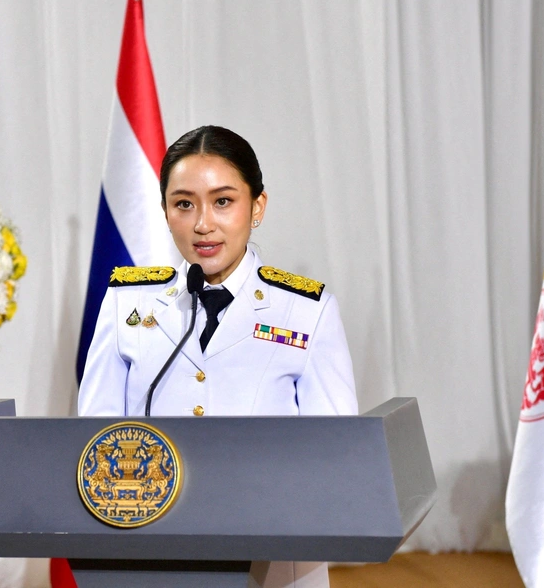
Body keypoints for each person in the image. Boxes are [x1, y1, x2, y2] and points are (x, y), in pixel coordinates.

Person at [78, 125, 358, 588]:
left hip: (273, 555)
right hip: (153, 551)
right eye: (184, 204)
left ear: (257, 206)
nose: (202, 224)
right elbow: (95, 437)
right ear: (165, 211)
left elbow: (337, 449)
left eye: (223, 201)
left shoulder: (307, 310)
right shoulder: (127, 302)